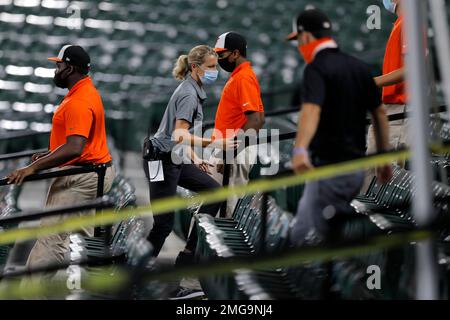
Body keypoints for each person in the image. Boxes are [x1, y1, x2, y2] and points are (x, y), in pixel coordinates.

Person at [286, 8, 392, 246]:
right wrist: (383, 157)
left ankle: (327, 279)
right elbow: (379, 113)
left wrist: (300, 150)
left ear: (305, 37)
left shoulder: (316, 68)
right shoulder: (359, 67)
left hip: (329, 169)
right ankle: (333, 275)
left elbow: (311, 109)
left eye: (298, 41)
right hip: (355, 170)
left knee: (302, 237)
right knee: (328, 231)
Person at [6, 45, 115, 270]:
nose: (56, 70)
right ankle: (77, 288)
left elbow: (75, 147)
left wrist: (31, 169)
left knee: (51, 239)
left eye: (59, 65)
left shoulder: (79, 101)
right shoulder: (84, 91)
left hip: (82, 176)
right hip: (91, 171)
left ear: (70, 68)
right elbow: (79, 142)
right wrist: (51, 153)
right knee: (77, 240)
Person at [143, 45, 236, 263]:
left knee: (214, 192)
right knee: (163, 224)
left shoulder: (193, 90)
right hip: (161, 161)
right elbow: (179, 134)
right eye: (210, 66)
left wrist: (194, 157)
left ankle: (188, 255)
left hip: (173, 158)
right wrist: (215, 141)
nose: (216, 71)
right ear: (195, 67)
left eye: (216, 66)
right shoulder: (189, 95)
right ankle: (135, 271)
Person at [209, 31, 265, 217]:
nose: (218, 59)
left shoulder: (244, 78)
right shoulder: (242, 75)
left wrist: (230, 153)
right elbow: (260, 117)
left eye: (221, 54)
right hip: (231, 148)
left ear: (235, 53)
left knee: (228, 212)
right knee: (218, 208)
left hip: (234, 151)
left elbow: (256, 120)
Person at [365, 0, 406, 191]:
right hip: (389, 107)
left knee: (384, 181)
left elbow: (411, 69)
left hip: (398, 108)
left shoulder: (409, 23)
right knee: (371, 174)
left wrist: (372, 82)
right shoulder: (400, 23)